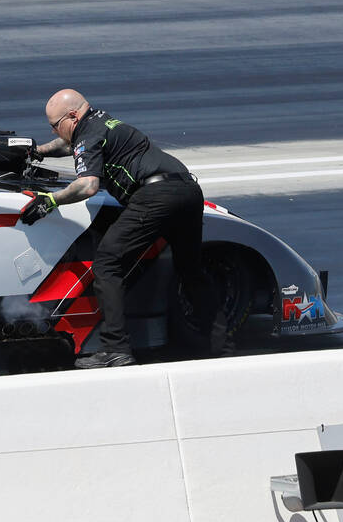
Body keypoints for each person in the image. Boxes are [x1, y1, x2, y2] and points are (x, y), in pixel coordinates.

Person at [19, 89, 209, 368]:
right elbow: (73, 144)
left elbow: (87, 185)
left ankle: (115, 349)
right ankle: (218, 344)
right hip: (188, 188)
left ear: (72, 116)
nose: (54, 130)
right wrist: (38, 152)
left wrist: (51, 201)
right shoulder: (100, 122)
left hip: (156, 194)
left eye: (54, 125)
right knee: (191, 271)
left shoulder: (88, 133)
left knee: (107, 263)